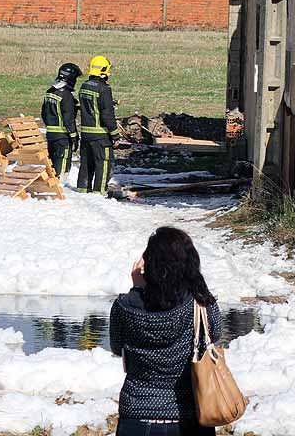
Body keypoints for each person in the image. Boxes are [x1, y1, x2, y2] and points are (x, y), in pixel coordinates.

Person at [110, 226, 223, 436]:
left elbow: (118, 348)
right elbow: (214, 336)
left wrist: (137, 290)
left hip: (137, 415)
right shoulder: (202, 306)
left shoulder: (123, 306)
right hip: (192, 415)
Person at [78, 54, 120, 194]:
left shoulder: (84, 86)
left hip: (85, 134)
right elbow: (107, 114)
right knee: (103, 164)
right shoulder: (104, 89)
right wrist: (114, 134)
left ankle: (83, 190)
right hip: (100, 135)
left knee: (86, 164)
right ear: (103, 71)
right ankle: (99, 193)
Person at [41, 62, 81, 179]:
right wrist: (74, 136)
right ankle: (59, 188)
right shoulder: (67, 95)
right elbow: (68, 119)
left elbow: (44, 113)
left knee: (52, 162)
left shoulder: (50, 92)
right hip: (62, 136)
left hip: (50, 134)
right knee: (62, 164)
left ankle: (51, 184)